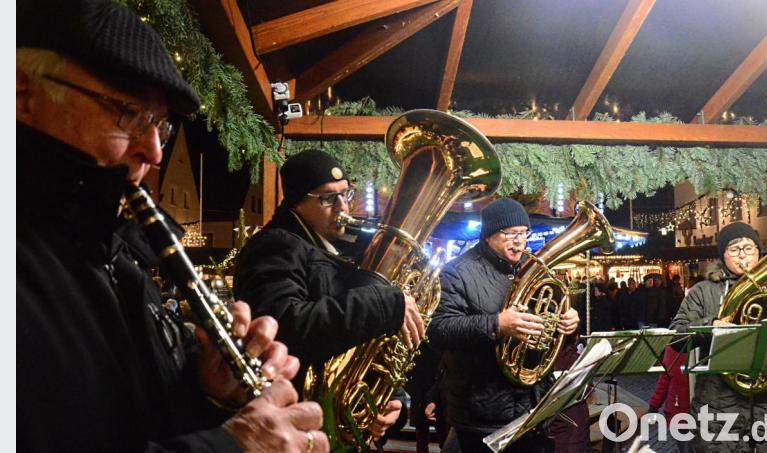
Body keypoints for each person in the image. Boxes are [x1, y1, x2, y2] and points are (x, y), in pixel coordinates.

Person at [17, 1, 326, 452]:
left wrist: (206, 391)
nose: (155, 151)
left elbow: (126, 420)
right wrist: (233, 447)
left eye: (159, 125)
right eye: (128, 113)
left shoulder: (112, 253)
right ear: (22, 94)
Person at [233, 149, 425, 439]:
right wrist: (383, 303)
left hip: (328, 423)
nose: (343, 207)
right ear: (297, 203)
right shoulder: (275, 246)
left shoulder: (334, 249)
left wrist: (391, 396)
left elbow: (359, 342)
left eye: (346, 194)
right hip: (295, 425)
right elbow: (285, 325)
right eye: (327, 198)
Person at [429, 198, 581, 453]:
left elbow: (543, 326)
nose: (520, 241)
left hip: (531, 407)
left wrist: (566, 326)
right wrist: (497, 323)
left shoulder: (531, 269)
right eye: (510, 234)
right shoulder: (457, 272)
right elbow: (439, 329)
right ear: (489, 235)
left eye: (523, 233)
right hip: (482, 415)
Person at [669, 222, 767, 452]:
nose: (743, 254)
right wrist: (710, 325)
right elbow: (676, 337)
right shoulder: (702, 291)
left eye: (749, 248)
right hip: (718, 405)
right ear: (722, 255)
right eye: (734, 249)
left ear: (759, 252)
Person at [648, 345, 690, 453]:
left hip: (701, 412)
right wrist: (653, 406)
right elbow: (664, 380)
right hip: (680, 413)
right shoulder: (673, 346)